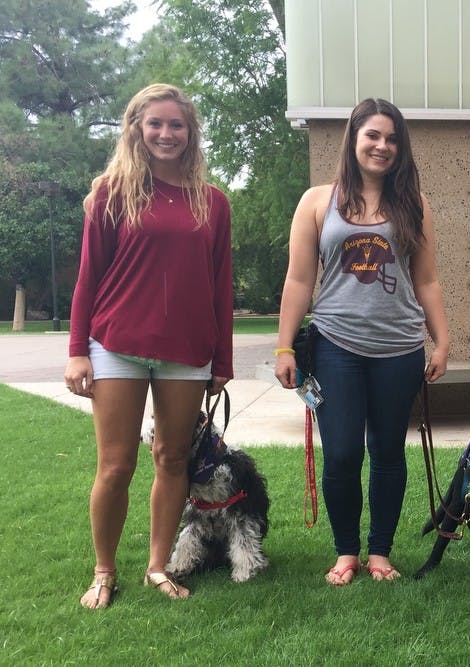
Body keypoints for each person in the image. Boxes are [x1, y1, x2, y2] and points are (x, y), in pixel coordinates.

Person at [67, 83, 233, 609]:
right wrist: (77, 350)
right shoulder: (111, 192)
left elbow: (221, 284)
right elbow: (87, 278)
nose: (166, 133)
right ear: (136, 128)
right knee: (115, 466)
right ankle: (104, 570)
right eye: (155, 123)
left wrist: (222, 361)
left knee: (172, 458)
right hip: (116, 344)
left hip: (187, 351)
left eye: (177, 125)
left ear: (191, 133)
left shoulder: (213, 202)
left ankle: (157, 567)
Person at [274, 98, 449, 586]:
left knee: (388, 451)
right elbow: (298, 280)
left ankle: (380, 553)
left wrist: (441, 341)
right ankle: (346, 551)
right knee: (345, 452)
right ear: (354, 139)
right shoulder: (316, 201)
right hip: (335, 345)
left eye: (392, 138)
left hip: (399, 348)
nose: (382, 146)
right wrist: (285, 347)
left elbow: (427, 279)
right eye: (373, 135)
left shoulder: (413, 205)